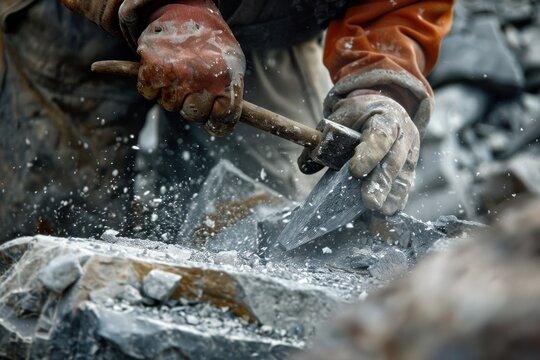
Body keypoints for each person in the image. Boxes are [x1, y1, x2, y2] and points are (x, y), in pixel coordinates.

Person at [0, 0, 454, 243]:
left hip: (268, 25)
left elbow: (402, 6)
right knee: (57, 213)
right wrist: (172, 9)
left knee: (270, 228)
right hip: (73, 19)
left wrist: (380, 86)